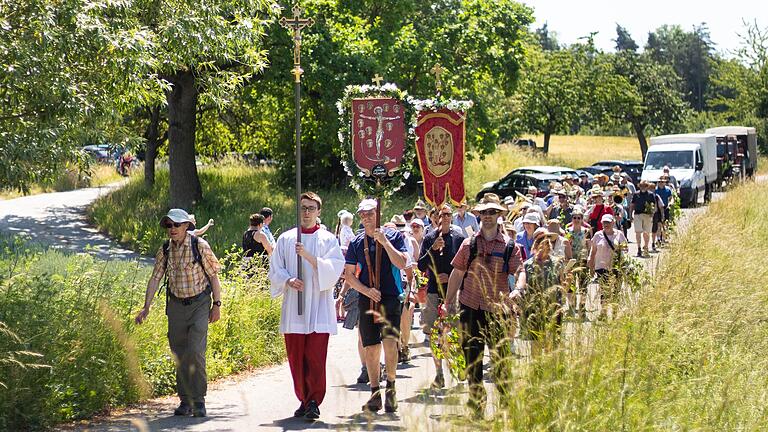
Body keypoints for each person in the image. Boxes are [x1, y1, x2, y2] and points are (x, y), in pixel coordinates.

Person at [134, 209, 223, 418]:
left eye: (176, 225)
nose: (172, 229)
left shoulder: (199, 246)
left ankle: (199, 400)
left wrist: (216, 305)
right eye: (168, 225)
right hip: (175, 306)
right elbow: (155, 278)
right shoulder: (165, 249)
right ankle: (185, 401)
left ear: (186, 226)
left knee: (195, 351)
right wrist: (146, 307)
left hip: (200, 303)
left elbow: (214, 276)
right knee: (180, 353)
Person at [443, 193, 523, 417]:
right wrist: (448, 303)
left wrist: (517, 289)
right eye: (484, 213)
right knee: (472, 360)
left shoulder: (510, 246)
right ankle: (477, 405)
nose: (487, 216)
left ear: (499, 216)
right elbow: (457, 273)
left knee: (500, 362)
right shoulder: (469, 244)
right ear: (478, 215)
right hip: (470, 308)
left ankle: (506, 406)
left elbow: (520, 271)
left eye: (492, 212)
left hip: (498, 311)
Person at [268, 192, 345, 420]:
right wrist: (289, 280)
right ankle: (303, 397)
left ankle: (313, 400)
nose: (307, 212)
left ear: (319, 211)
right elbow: (275, 268)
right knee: (296, 357)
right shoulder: (286, 238)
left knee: (315, 356)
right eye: (303, 208)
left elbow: (334, 269)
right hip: (295, 307)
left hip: (319, 307)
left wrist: (309, 256)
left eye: (311, 208)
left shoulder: (328, 239)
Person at [344, 199, 408, 413]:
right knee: (370, 346)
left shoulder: (394, 236)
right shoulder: (356, 242)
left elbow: (402, 263)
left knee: (390, 343)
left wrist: (385, 243)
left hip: (390, 297)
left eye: (370, 213)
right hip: (367, 298)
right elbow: (349, 275)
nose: (366, 218)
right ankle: (374, 393)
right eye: (362, 214)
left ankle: (390, 388)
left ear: (378, 214)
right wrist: (366, 291)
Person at [418, 203, 466, 388]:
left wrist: (451, 275)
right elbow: (421, 265)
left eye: (448, 214)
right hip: (433, 292)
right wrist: (432, 249)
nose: (445, 217)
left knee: (455, 332)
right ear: (436, 217)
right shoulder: (429, 237)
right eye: (441, 214)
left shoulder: (459, 238)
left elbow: (465, 264)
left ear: (452, 217)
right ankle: (439, 374)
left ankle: (459, 366)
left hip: (453, 293)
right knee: (434, 335)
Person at [588, 214, 627, 281]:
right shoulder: (597, 235)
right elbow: (593, 252)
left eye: (608, 222)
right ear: (602, 223)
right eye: (604, 222)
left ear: (613, 223)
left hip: (616, 266)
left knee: (616, 290)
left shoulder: (619, 234)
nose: (606, 224)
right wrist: (591, 267)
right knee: (604, 289)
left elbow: (626, 249)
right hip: (601, 266)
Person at [630, 181, 655, 257]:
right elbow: (632, 205)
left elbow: (653, 205)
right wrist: (630, 215)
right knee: (638, 232)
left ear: (647, 186)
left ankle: (646, 247)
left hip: (647, 215)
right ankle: (639, 248)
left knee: (646, 232)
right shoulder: (636, 194)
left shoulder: (650, 195)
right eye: (641, 186)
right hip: (637, 214)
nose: (642, 187)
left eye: (644, 186)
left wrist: (652, 213)